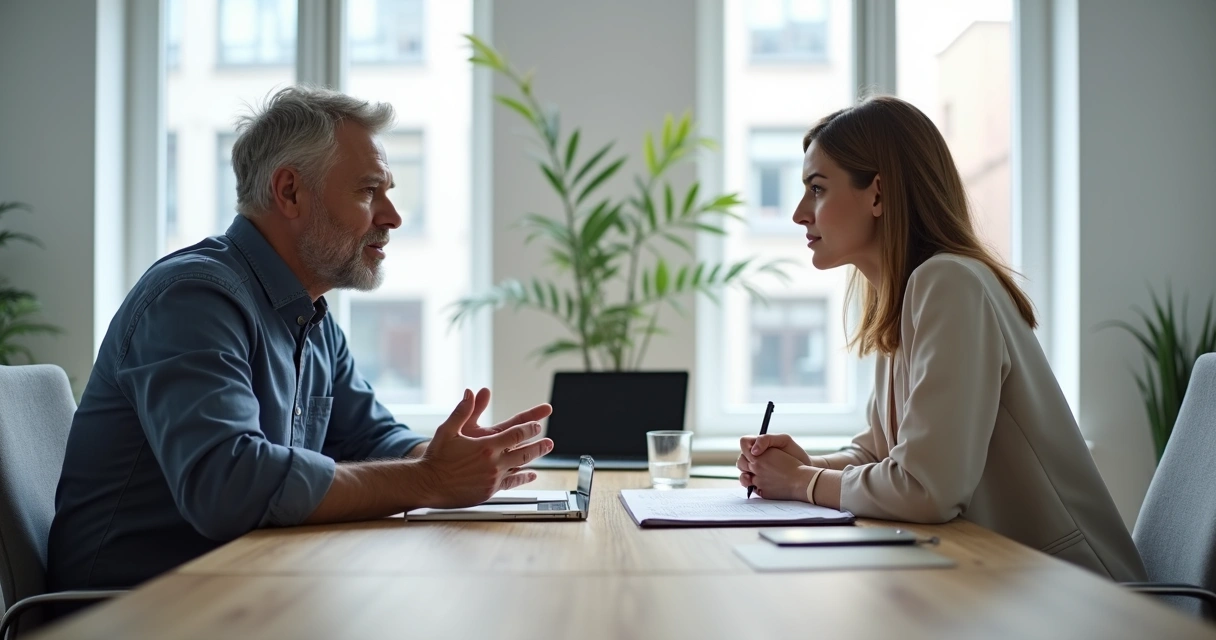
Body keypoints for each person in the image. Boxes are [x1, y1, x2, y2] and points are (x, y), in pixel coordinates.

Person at [47, 86, 554, 593]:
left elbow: (366, 438)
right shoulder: (193, 298)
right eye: (368, 191)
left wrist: (451, 454)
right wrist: (431, 479)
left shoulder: (309, 314)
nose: (393, 217)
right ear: (289, 191)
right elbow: (229, 485)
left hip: (247, 592)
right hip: (133, 612)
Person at [736, 96, 1145, 582]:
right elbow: (880, 456)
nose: (800, 213)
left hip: (1082, 595)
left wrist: (803, 483)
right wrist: (803, 466)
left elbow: (925, 489)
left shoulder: (948, 283)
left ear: (878, 195)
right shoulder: (906, 294)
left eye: (817, 189)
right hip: (1006, 582)